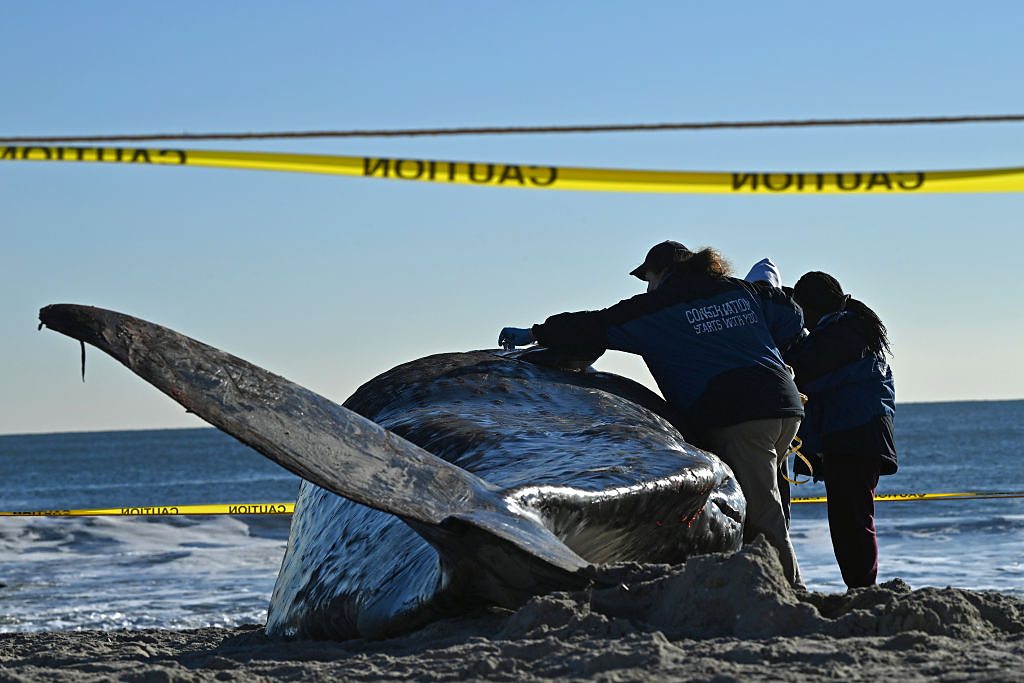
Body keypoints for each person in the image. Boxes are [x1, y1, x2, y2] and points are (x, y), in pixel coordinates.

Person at [499, 241, 807, 588]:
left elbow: (596, 324)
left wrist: (535, 333)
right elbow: (791, 314)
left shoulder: (659, 307)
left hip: (738, 414)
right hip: (784, 406)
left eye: (648, 278)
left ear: (661, 273)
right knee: (758, 498)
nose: (647, 286)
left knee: (761, 511)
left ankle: (788, 589)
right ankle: (750, 581)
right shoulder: (740, 291)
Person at [787, 271, 898, 589]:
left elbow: (803, 369)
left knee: (850, 520)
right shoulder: (851, 329)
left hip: (852, 438)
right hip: (862, 437)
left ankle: (862, 588)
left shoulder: (838, 335)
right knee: (854, 517)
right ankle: (861, 585)